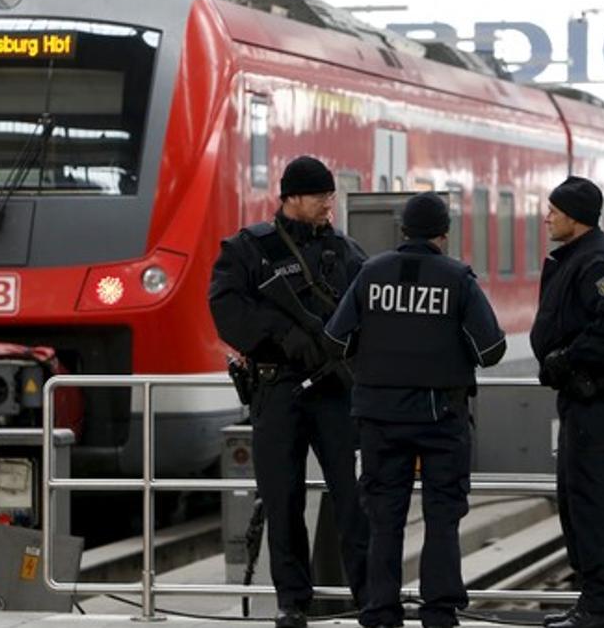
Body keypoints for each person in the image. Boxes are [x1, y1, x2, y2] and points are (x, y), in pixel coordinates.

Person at [324, 192, 506, 628]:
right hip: (440, 419)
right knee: (443, 517)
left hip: (379, 420)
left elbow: (335, 340)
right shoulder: (457, 279)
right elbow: (492, 349)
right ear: (444, 234)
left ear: (402, 230)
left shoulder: (371, 275)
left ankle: (380, 610)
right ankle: (438, 612)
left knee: (385, 519)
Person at [208, 155, 370, 628]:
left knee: (353, 496)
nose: (328, 204)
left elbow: (366, 312)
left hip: (335, 388)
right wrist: (283, 337)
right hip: (277, 386)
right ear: (292, 198)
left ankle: (368, 596)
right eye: (320, 196)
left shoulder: (346, 252)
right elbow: (226, 307)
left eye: (330, 195)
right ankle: (291, 601)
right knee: (282, 499)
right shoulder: (247, 250)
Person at [530, 176, 604, 628]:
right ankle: (589, 601)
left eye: (554, 210)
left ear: (574, 217)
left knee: (591, 503)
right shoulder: (580, 256)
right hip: (579, 398)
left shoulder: (598, 261)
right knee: (575, 499)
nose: (547, 217)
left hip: (596, 398)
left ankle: (600, 606)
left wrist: (566, 359)